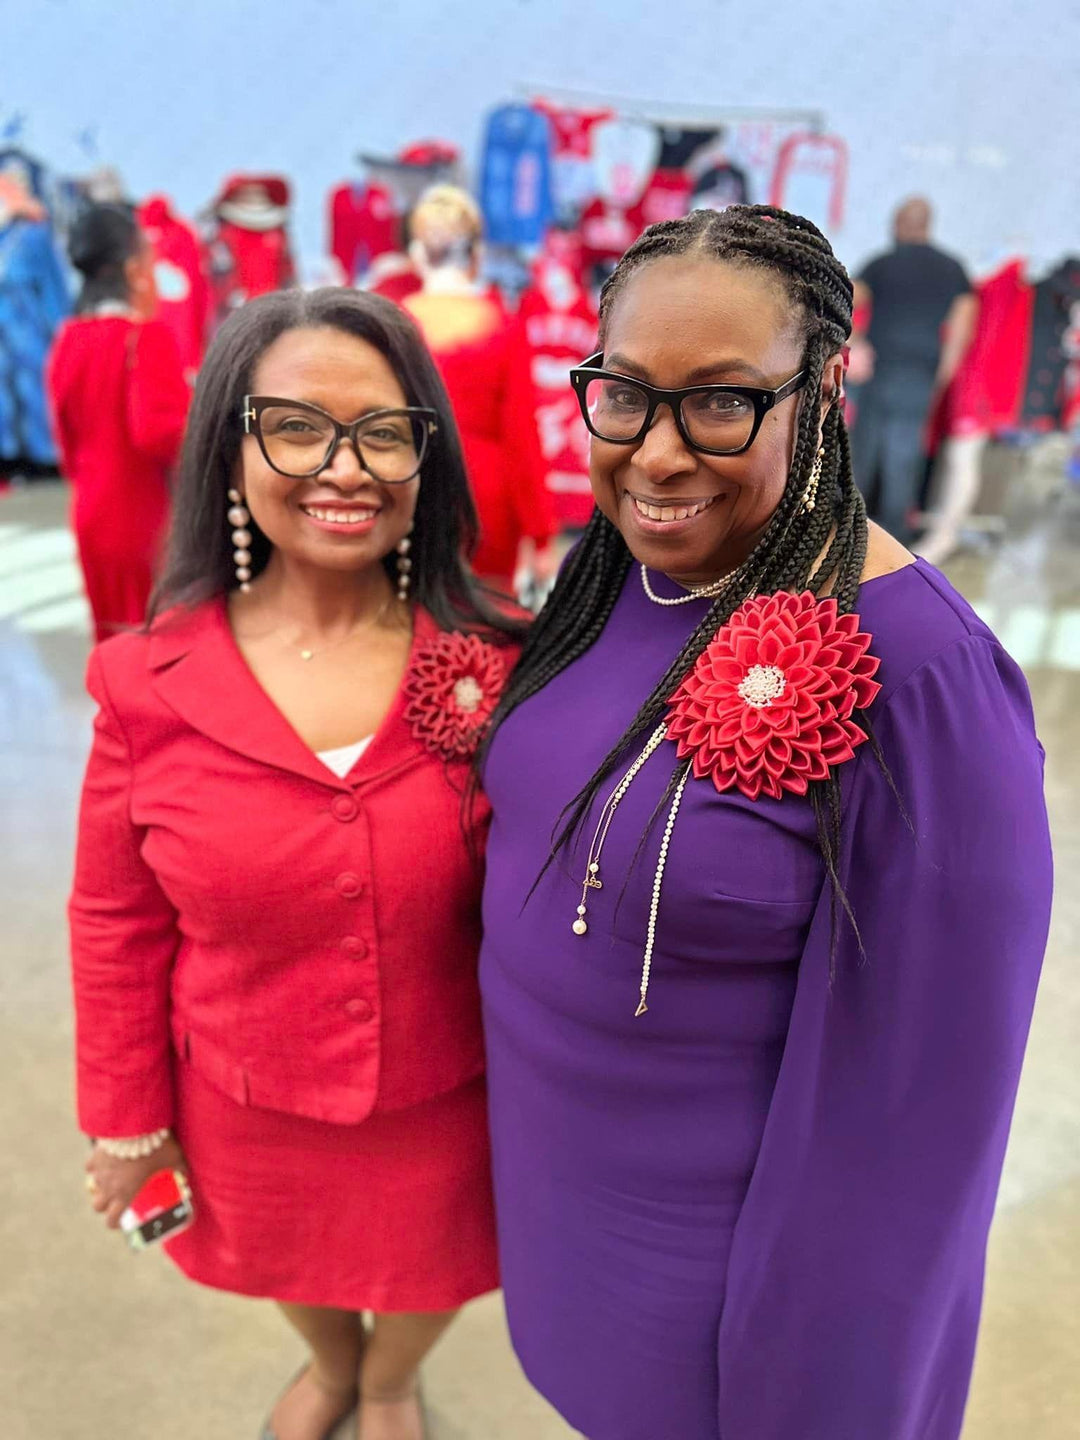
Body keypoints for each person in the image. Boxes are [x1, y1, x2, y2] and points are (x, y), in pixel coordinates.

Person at [477, 206, 1051, 1440]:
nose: (659, 454)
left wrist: (820, 1394)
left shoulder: (927, 674)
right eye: (624, 394)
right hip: (563, 1211)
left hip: (729, 1300)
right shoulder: (617, 572)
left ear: (824, 389)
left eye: (722, 401)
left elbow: (916, 1126)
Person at [70, 288, 524, 1440]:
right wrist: (126, 1124)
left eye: (383, 430)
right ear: (230, 449)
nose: (345, 467)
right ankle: (332, 1361)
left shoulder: (504, 658)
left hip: (455, 1092)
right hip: (247, 1090)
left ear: (427, 455)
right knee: (289, 1252)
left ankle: (386, 1383)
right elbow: (115, 923)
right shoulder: (144, 681)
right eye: (296, 426)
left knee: (440, 1267)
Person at [401, 185, 557, 594]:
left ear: (418, 253)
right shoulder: (502, 325)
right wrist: (540, 534)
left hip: (410, 485)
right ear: (475, 254)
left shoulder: (397, 325)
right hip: (486, 498)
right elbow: (522, 435)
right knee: (488, 627)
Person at [47, 203, 189, 640]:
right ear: (133, 270)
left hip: (90, 514)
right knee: (160, 642)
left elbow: (65, 442)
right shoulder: (145, 336)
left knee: (113, 646)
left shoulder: (68, 339)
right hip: (143, 520)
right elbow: (158, 432)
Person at [850, 196, 976, 541]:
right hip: (919, 376)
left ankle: (849, 533)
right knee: (904, 458)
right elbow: (963, 325)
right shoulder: (953, 268)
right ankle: (894, 542)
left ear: (899, 224)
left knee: (864, 452)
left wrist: (856, 345)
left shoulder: (881, 262)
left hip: (879, 372)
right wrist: (942, 374)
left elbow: (844, 302)